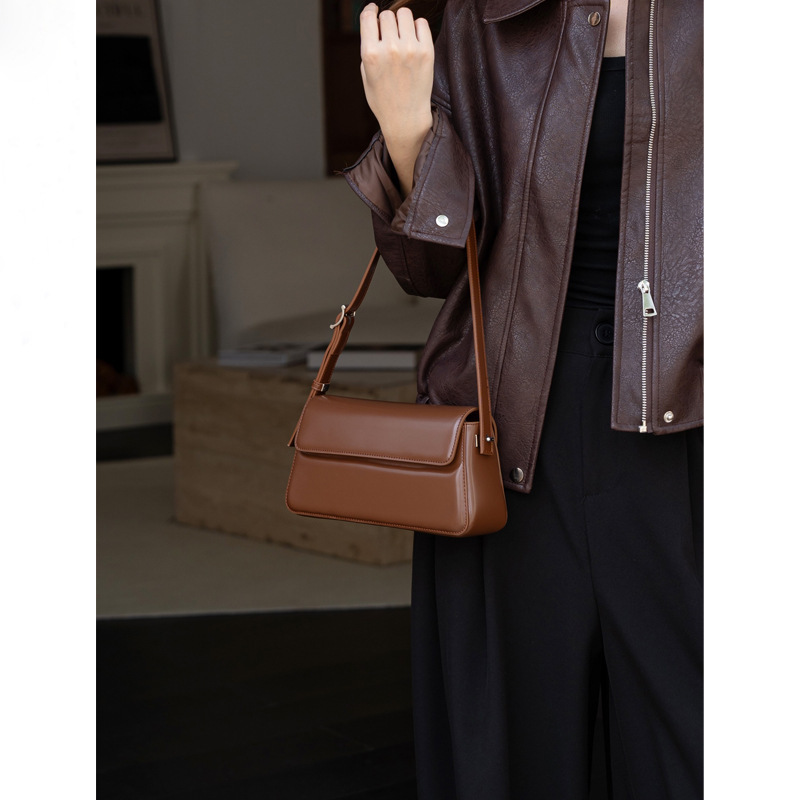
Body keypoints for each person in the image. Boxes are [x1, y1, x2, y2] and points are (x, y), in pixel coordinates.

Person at [340, 1, 703, 798]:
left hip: (694, 424)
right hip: (511, 435)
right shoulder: (487, 17)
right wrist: (406, 131)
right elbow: (430, 270)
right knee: (509, 760)